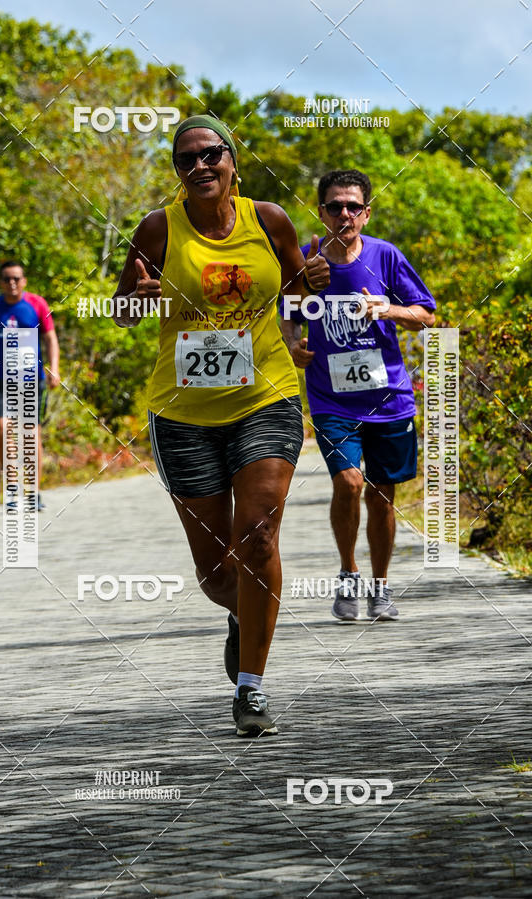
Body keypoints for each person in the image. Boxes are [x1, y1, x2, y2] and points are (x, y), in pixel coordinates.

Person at [113, 115, 329, 737]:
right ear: (177, 172)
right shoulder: (158, 227)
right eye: (186, 160)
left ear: (233, 161)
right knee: (217, 575)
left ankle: (252, 687)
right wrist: (136, 295)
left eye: (211, 154)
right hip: (183, 414)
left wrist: (305, 305)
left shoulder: (271, 220)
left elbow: (296, 294)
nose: (200, 166)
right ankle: (243, 615)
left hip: (266, 395)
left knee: (258, 538)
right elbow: (126, 313)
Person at [281, 169, 436, 622]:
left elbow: (426, 314)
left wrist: (386, 308)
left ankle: (381, 587)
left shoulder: (386, 257)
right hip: (332, 399)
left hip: (388, 398)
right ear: (322, 212)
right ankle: (348, 572)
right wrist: (294, 343)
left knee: (382, 495)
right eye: (334, 206)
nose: (343, 213)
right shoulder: (307, 260)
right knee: (348, 482)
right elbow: (289, 311)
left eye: (352, 206)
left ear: (365, 214)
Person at [0, 261, 60, 511]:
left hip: (32, 379)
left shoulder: (37, 304)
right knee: (2, 430)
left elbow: (50, 338)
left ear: (24, 281)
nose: (11, 283)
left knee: (30, 434)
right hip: (2, 379)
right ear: (0, 282)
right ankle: (12, 490)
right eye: (6, 279)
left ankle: (33, 492)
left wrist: (54, 368)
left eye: (16, 278)